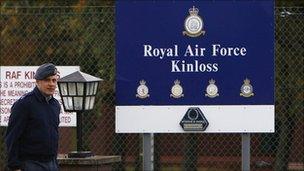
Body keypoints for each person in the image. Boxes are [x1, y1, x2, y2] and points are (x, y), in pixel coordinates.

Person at [5, 63, 60, 171]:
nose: (51, 84)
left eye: (54, 80)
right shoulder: (24, 104)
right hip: (30, 163)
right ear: (37, 82)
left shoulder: (55, 105)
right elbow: (12, 137)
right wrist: (14, 166)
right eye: (47, 80)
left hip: (52, 163)